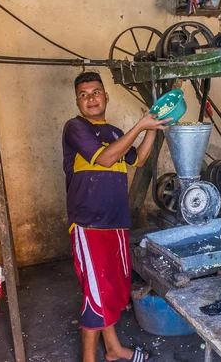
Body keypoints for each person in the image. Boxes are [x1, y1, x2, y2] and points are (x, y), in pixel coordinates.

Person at [62, 71, 170, 362]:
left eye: (95, 92)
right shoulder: (75, 128)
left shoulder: (113, 133)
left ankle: (112, 349)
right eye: (83, 95)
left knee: (110, 290)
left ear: (105, 96)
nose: (90, 99)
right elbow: (107, 158)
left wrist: (153, 126)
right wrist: (140, 125)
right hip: (89, 225)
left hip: (116, 223)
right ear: (77, 101)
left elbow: (139, 158)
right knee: (95, 293)